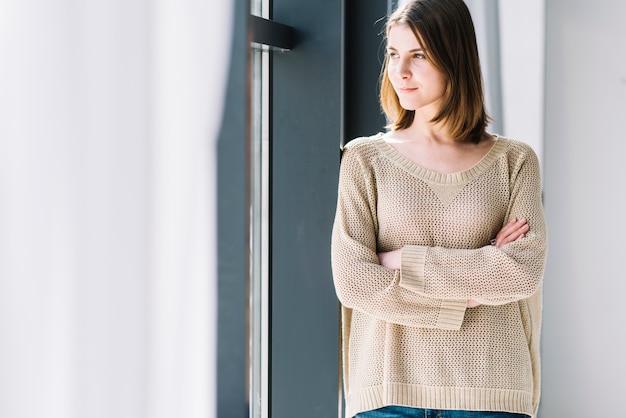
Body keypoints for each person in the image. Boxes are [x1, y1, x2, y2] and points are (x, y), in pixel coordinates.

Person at [330, 0, 548, 417]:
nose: (401, 72)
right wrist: (476, 276)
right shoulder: (364, 159)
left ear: (455, 58)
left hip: (491, 392)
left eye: (419, 56)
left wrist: (400, 262)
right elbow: (355, 283)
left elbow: (520, 272)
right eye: (394, 55)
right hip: (388, 393)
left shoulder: (514, 161)